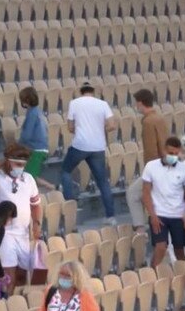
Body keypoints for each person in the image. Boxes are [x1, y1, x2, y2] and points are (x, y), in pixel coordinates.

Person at [0, 144, 42, 296]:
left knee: (23, 275)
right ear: (8, 161)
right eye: (17, 164)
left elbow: (36, 205)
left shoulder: (29, 179)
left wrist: (37, 223)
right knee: (9, 276)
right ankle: (4, 303)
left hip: (23, 234)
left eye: (23, 165)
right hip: (4, 234)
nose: (20, 167)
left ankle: (17, 304)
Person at [61, 81, 117, 225]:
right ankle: (110, 216)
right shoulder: (102, 104)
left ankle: (70, 206)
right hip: (98, 146)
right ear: (93, 91)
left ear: (81, 91)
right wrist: (99, 129)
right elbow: (112, 125)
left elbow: (70, 127)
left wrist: (80, 130)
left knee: (66, 171)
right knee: (103, 182)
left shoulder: (74, 103)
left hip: (80, 145)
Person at [141, 136, 185, 267]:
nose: (173, 156)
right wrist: (152, 215)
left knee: (179, 251)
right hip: (159, 214)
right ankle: (152, 275)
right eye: (170, 153)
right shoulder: (151, 166)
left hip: (178, 215)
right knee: (160, 248)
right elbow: (146, 193)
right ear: (163, 150)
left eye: (176, 153)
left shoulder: (184, 169)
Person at [126, 89, 169, 235]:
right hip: (166, 164)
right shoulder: (159, 118)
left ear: (140, 103)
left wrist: (149, 175)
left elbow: (151, 151)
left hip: (156, 168)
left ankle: (140, 229)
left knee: (133, 193)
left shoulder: (148, 122)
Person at [19, 87, 55, 190]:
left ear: (26, 100)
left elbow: (27, 135)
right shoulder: (36, 111)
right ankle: (52, 187)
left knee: (29, 177)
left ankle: (53, 188)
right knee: (28, 175)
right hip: (37, 148)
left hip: (37, 149)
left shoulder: (32, 113)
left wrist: (18, 145)